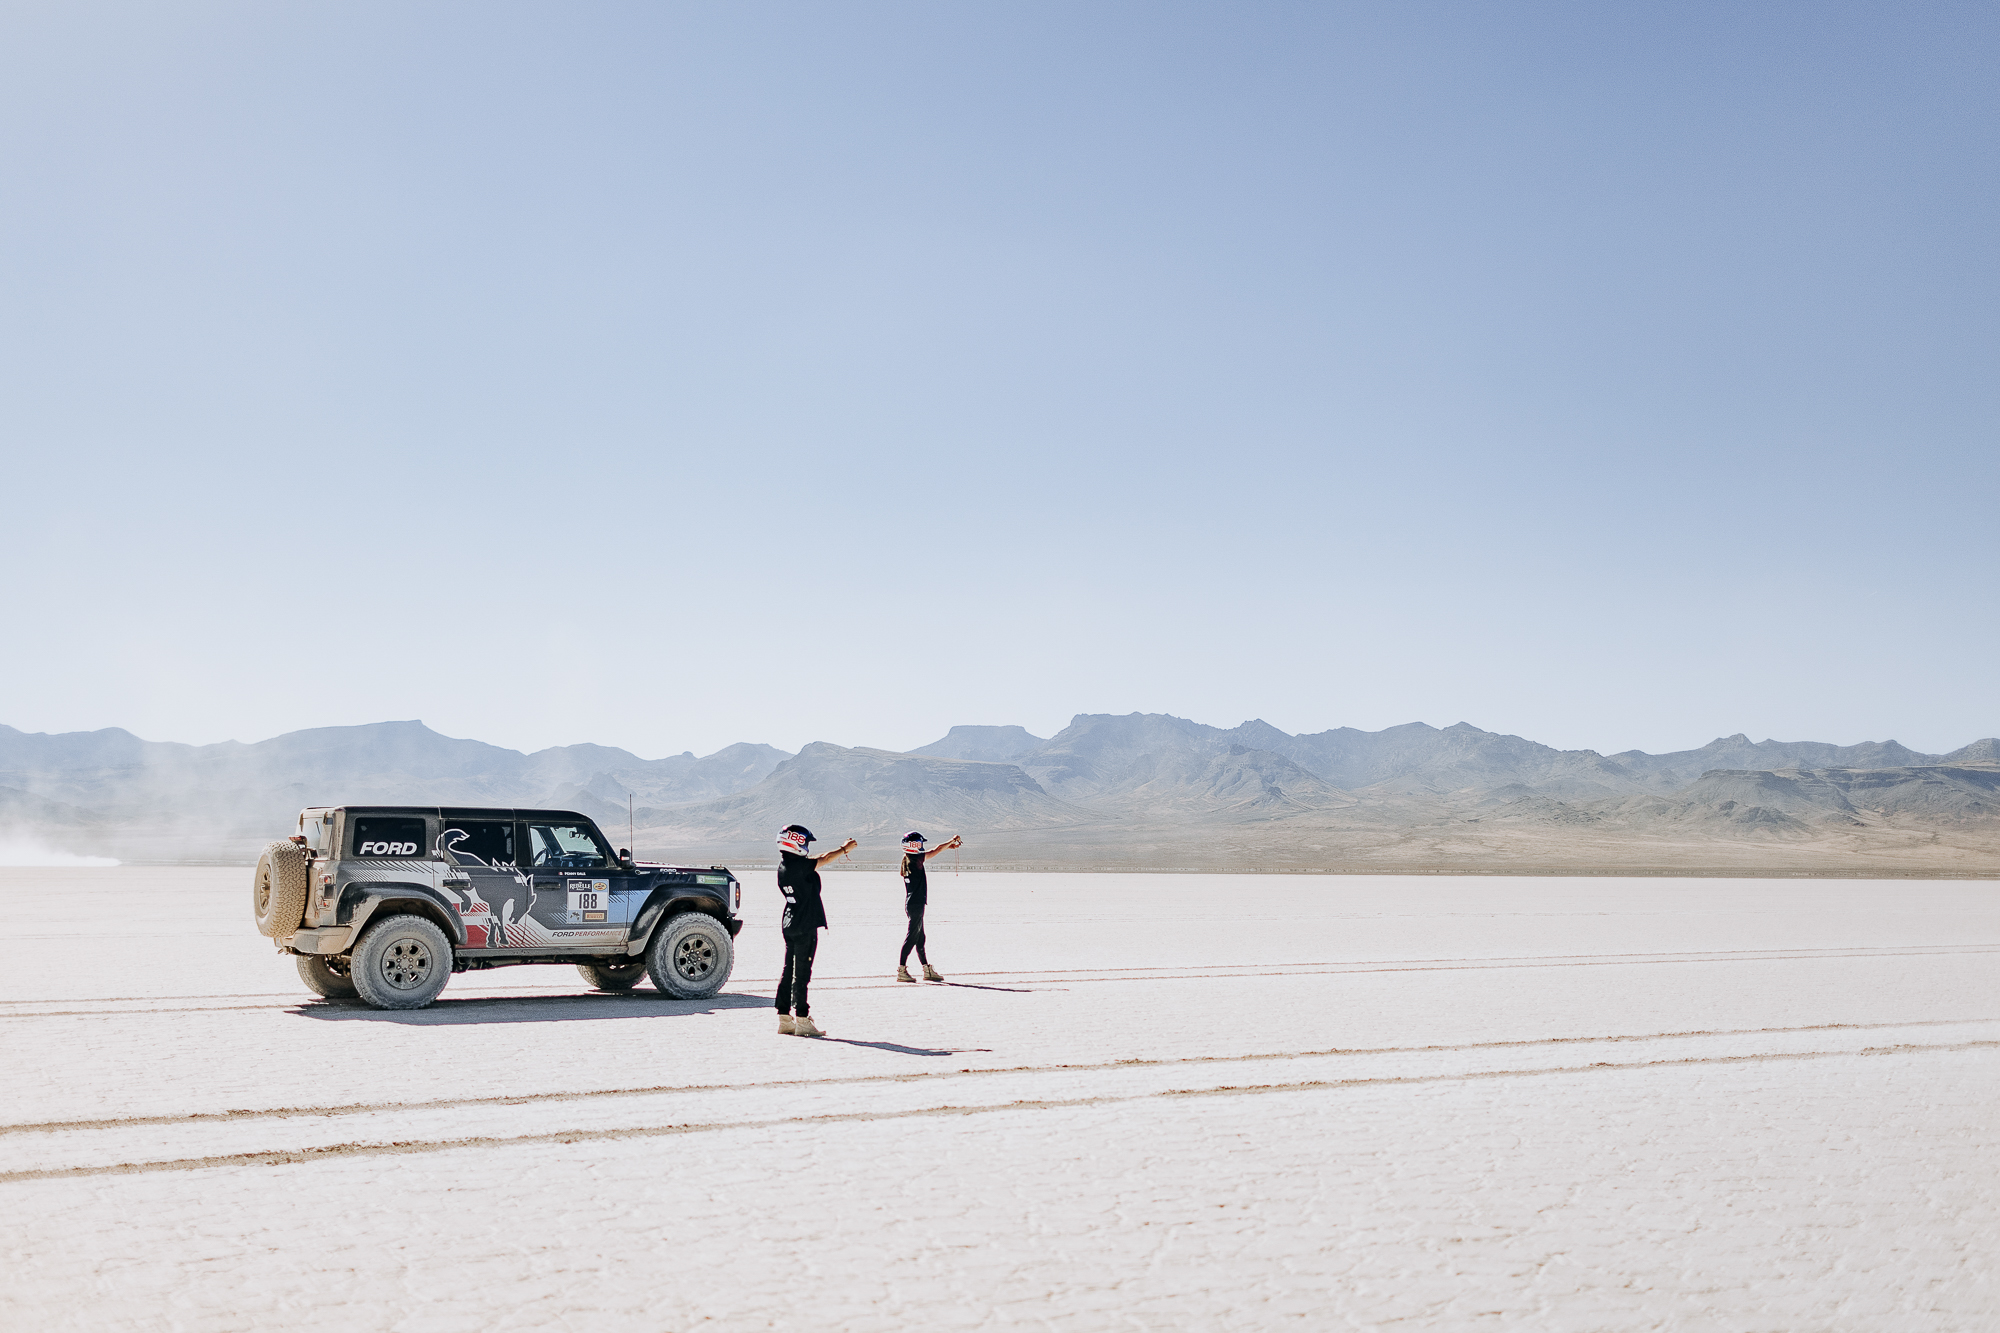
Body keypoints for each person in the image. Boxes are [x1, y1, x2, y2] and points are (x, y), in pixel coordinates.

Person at [775, 824, 855, 1037]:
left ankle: (784, 1018)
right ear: (796, 842)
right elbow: (826, 858)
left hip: (789, 923)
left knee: (787, 971)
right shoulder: (800, 867)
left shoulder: (784, 866)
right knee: (802, 974)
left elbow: (817, 860)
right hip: (805, 926)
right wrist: (844, 848)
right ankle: (802, 1019)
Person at [896, 830, 962, 983]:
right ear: (914, 845)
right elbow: (936, 849)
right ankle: (901, 970)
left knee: (920, 938)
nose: (922, 847)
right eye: (920, 844)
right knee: (912, 938)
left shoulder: (907, 859)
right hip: (916, 905)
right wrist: (951, 840)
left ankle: (927, 969)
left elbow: (934, 851)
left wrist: (949, 846)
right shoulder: (915, 858)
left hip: (912, 904)